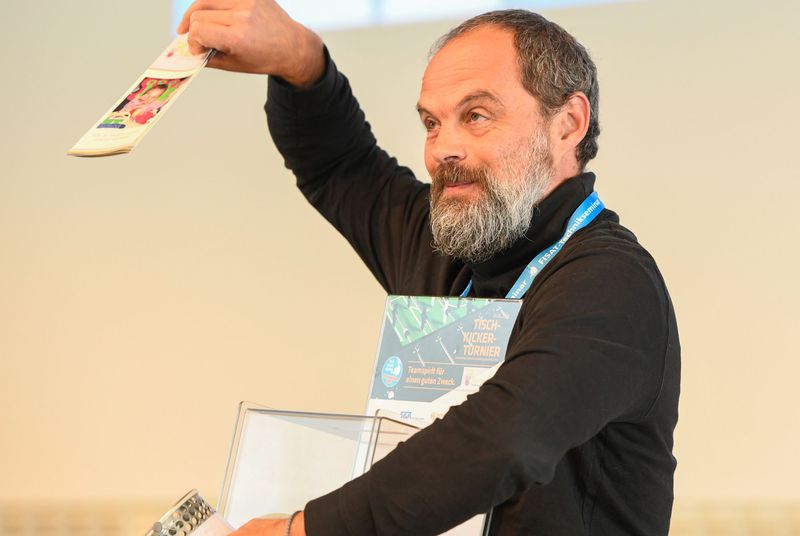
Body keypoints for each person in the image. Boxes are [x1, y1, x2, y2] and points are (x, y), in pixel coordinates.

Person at [178, 2, 680, 535]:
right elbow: (339, 165)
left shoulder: (611, 281)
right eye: (431, 123)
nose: (444, 149)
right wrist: (301, 63)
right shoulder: (454, 249)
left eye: (476, 116)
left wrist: (302, 530)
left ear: (568, 123)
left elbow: (504, 439)